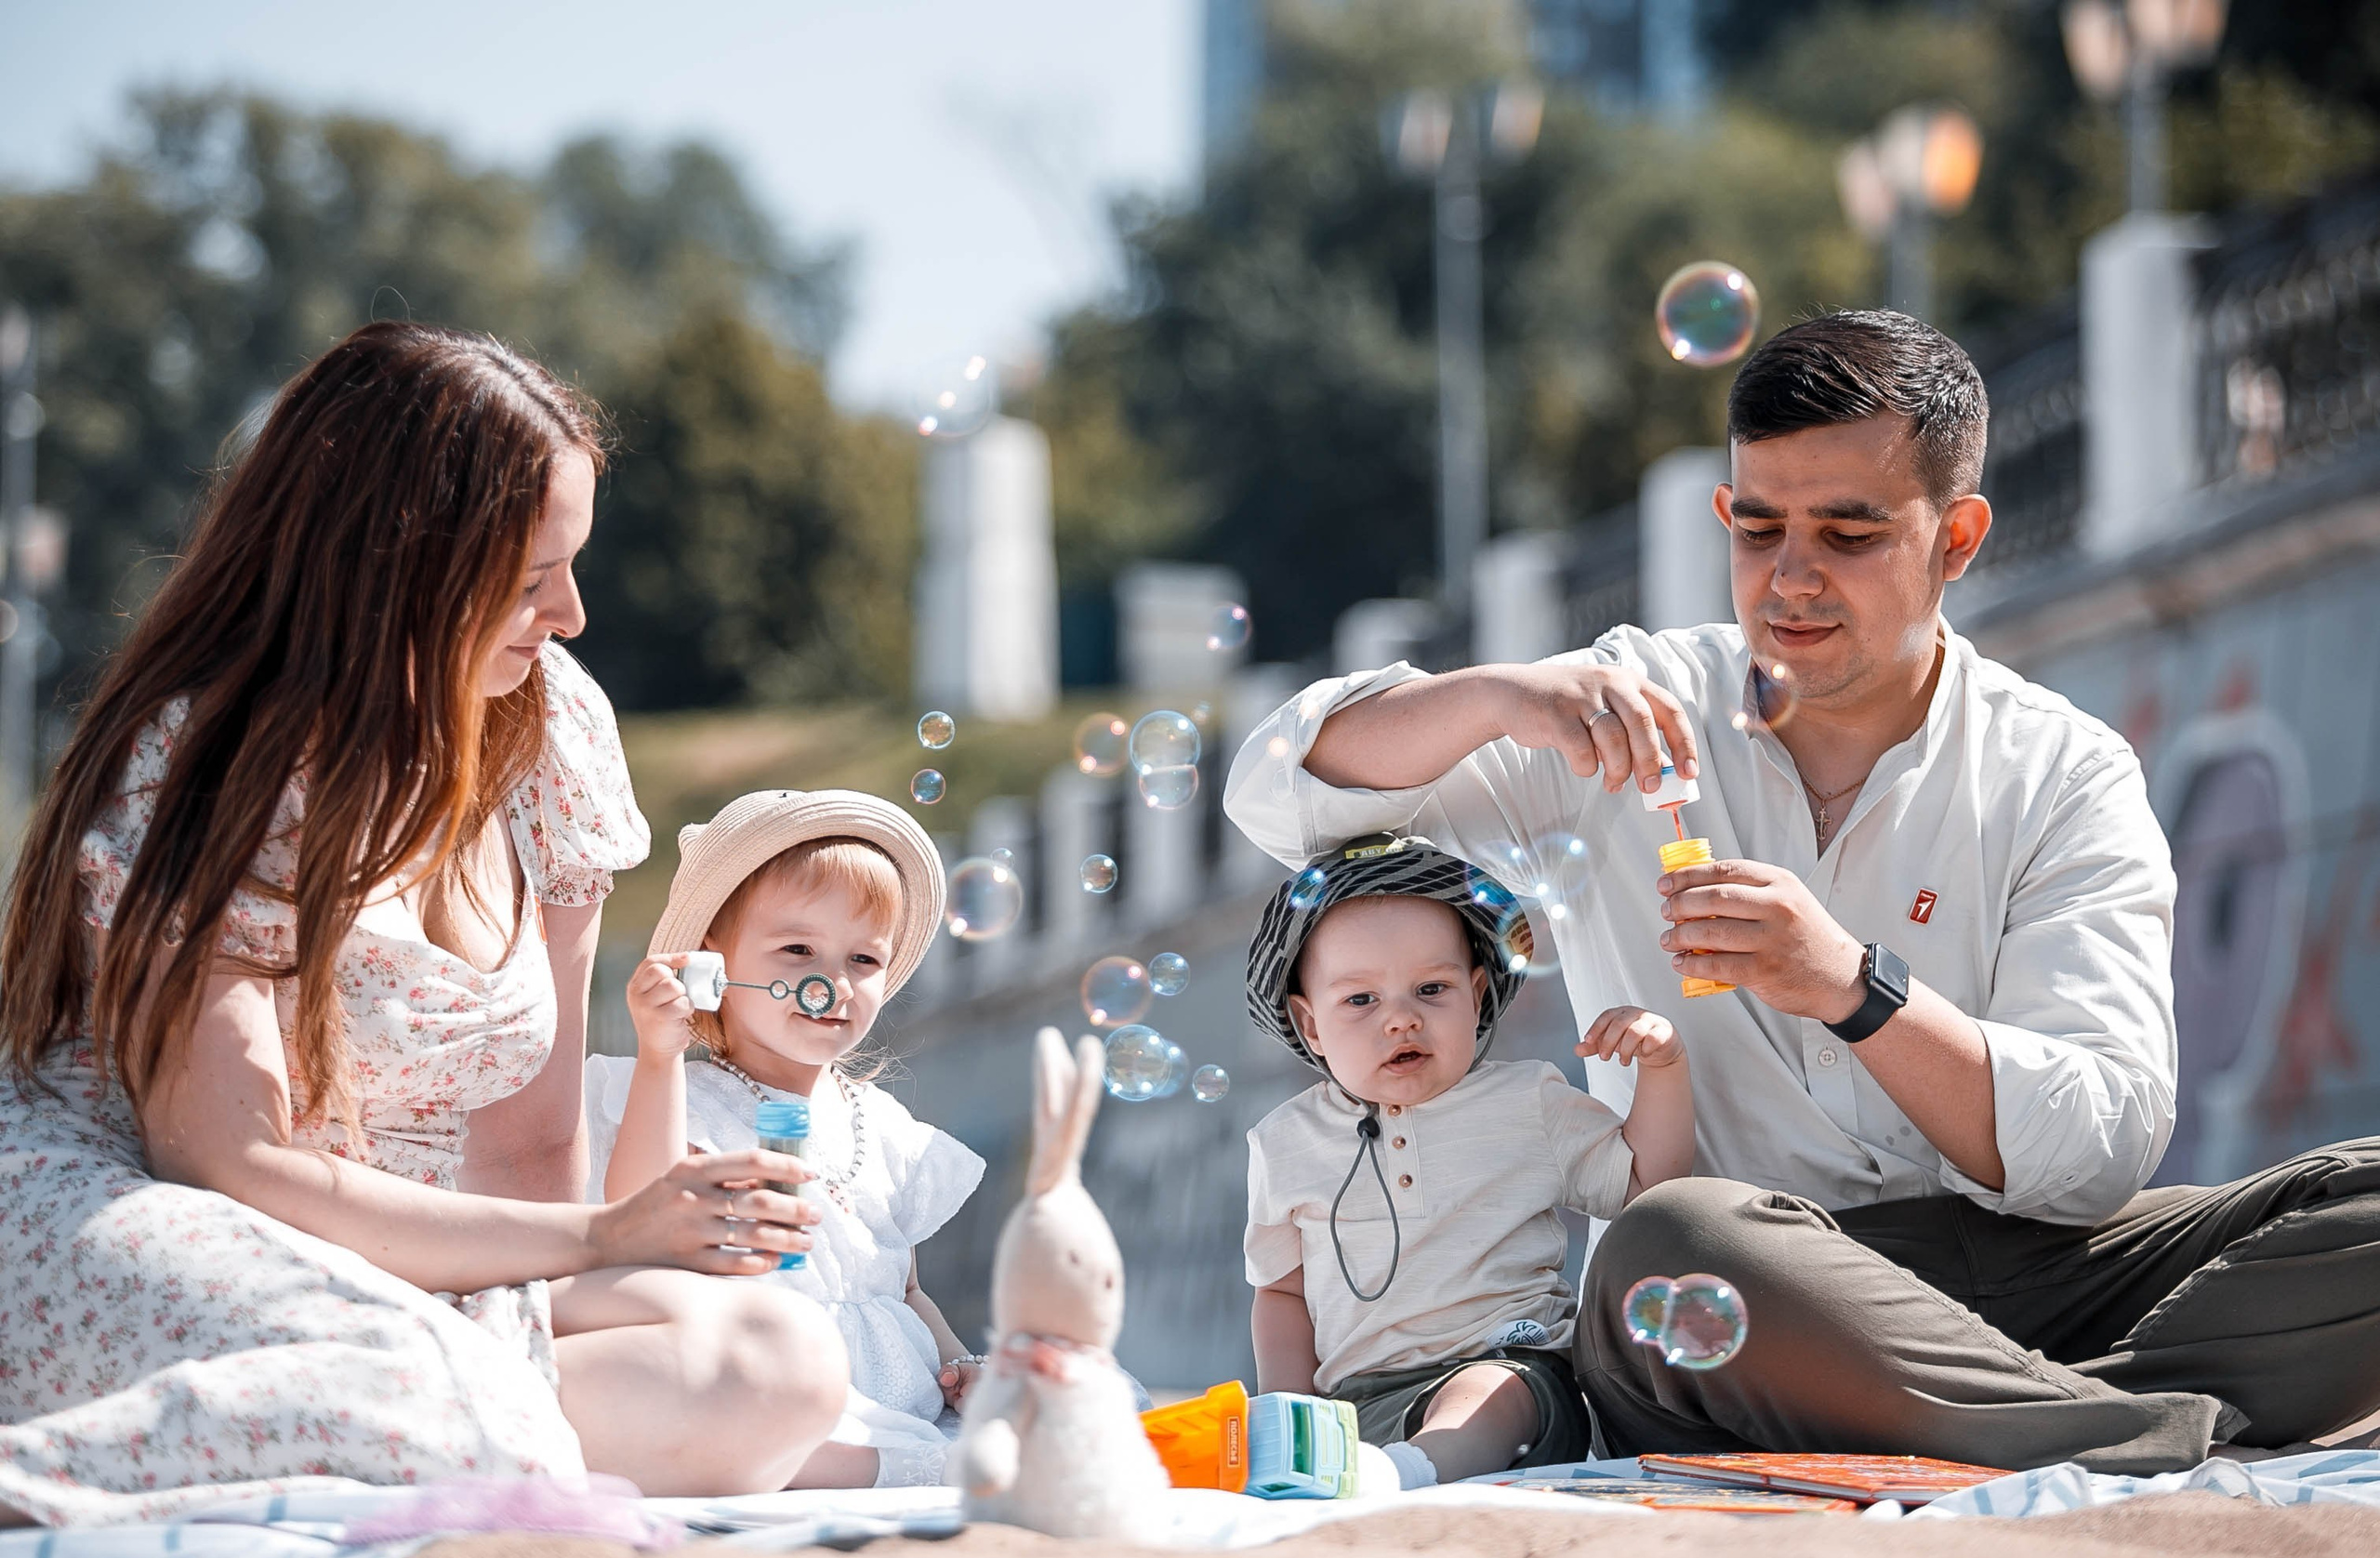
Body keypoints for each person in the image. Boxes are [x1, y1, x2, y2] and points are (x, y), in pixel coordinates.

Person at [1223, 309, 2380, 1474]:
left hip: (2027, 1275)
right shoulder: (1625, 712)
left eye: (1848, 532)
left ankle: (2028, 1416)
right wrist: (1494, 698)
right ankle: (2133, 1430)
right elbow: (1278, 801)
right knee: (1667, 1239)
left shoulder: (2060, 771)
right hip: (1742, 1299)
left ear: (1957, 538)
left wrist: (1853, 988)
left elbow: (2099, 1146)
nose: (1790, 579)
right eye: (1759, 525)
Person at [0, 323, 848, 1528]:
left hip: (412, 1257)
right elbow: (229, 1162)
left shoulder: (549, 729)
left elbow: (525, 1146)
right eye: (530, 575)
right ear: (400, 560)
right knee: (454, 1411)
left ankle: (446, 1423)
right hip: (152, 1220)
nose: (572, 612)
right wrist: (608, 1234)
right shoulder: (210, 759)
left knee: (782, 1359)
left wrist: (601, 1243)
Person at [1239, 834, 1694, 1487]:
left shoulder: (1525, 1101)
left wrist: (1664, 1068)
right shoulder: (1284, 1141)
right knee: (1343, 1443)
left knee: (1490, 1392)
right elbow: (1282, 1292)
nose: (1401, 1020)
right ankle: (1383, 1469)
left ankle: (1415, 1474)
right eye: (1360, 1000)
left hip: (1515, 1374)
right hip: (1359, 1399)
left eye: (1431, 989)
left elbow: (1647, 1181)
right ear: (1311, 1026)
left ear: (1477, 995)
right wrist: (1292, 1418)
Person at [587, 788, 985, 1489]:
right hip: (772, 1383)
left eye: (863, 960)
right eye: (797, 948)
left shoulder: (885, 1126)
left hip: (902, 1399)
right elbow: (637, 1209)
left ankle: (905, 1461)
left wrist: (964, 1367)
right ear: (713, 963)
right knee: (747, 1430)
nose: (831, 982)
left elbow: (908, 1286)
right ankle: (874, 1469)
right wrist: (657, 1057)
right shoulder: (681, 1098)